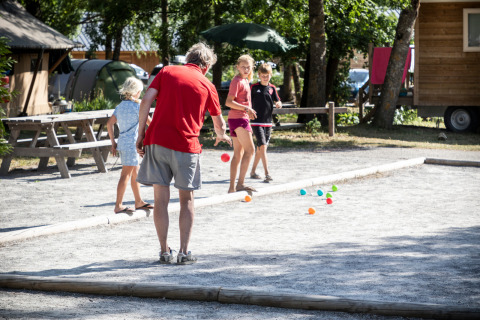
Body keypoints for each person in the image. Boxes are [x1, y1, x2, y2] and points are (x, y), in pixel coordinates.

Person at [135, 43, 232, 265]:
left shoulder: (167, 71)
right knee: (186, 199)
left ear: (188, 58)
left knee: (160, 199)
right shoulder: (208, 85)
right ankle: (184, 253)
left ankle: (163, 251)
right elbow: (219, 123)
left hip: (157, 140)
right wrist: (221, 135)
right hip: (186, 146)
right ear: (206, 66)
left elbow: (146, 100)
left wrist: (141, 133)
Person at [106, 77, 154, 214]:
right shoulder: (138, 107)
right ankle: (118, 205)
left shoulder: (120, 106)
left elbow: (109, 123)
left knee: (135, 173)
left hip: (123, 143)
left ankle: (139, 201)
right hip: (132, 144)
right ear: (137, 92)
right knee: (125, 175)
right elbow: (151, 123)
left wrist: (113, 142)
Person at [225, 54, 257, 193]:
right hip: (239, 119)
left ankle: (232, 188)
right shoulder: (237, 81)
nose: (245, 69)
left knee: (238, 153)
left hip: (237, 118)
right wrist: (246, 108)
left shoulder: (245, 81)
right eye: (243, 66)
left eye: (248, 67)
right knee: (250, 151)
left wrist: (248, 109)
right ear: (237, 67)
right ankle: (240, 184)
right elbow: (228, 102)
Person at [249, 63, 282, 183]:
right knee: (262, 146)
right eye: (263, 75)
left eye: (267, 75)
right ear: (259, 75)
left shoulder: (272, 88)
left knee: (260, 149)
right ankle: (267, 173)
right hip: (256, 121)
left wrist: (279, 104)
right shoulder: (253, 87)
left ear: (270, 75)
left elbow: (278, 101)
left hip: (268, 123)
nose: (265, 78)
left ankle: (252, 172)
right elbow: (248, 102)